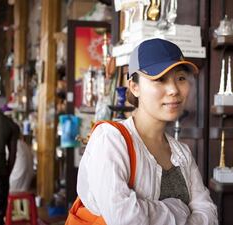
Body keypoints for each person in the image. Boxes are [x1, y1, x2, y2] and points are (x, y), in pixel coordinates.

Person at [76, 39, 218, 224]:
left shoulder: (181, 152)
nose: (174, 89)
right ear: (134, 87)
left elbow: (208, 213)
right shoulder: (111, 140)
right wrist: (178, 210)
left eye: (181, 78)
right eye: (159, 79)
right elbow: (125, 219)